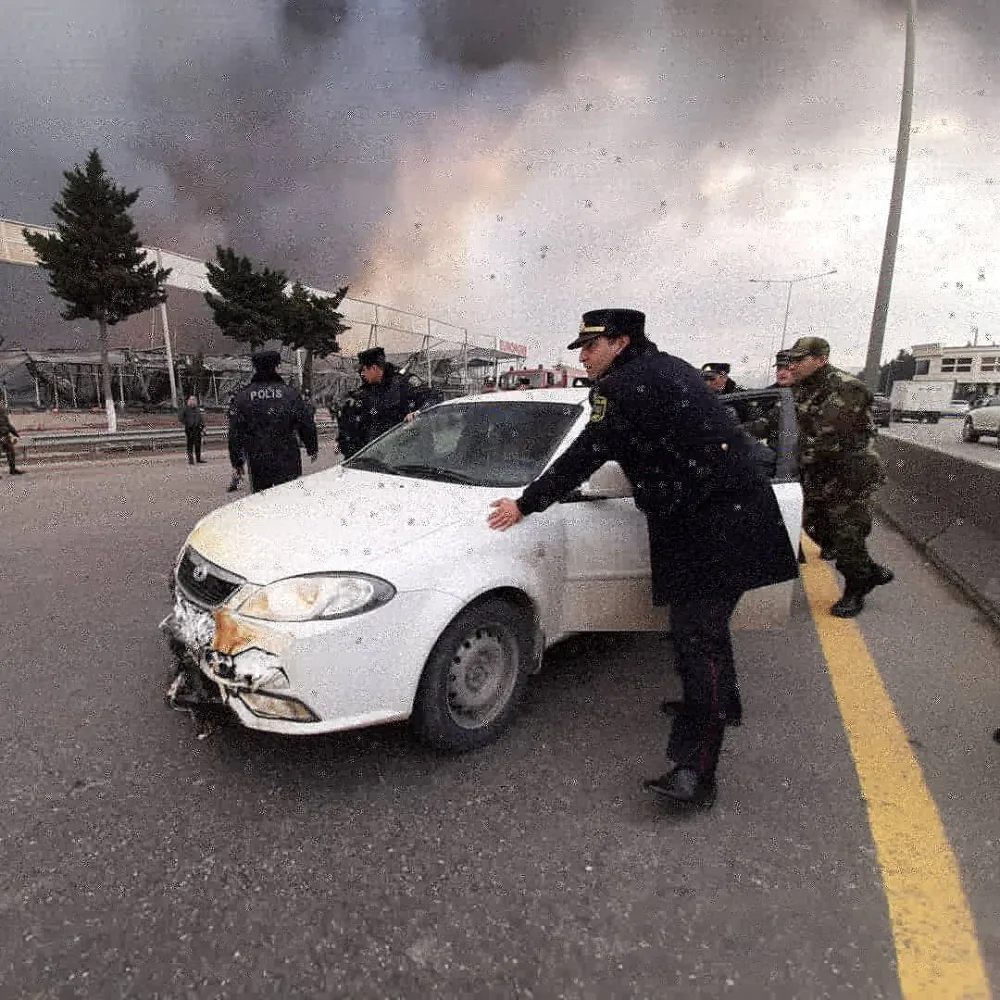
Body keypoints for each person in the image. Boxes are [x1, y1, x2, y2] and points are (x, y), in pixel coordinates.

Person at [488, 309, 799, 810]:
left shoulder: (623, 386)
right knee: (696, 634)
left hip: (709, 524)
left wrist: (525, 503)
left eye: (590, 348)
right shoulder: (669, 367)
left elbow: (588, 451)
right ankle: (717, 704)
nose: (584, 358)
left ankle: (698, 773)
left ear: (620, 342)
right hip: (730, 512)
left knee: (701, 641)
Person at [782, 336, 894, 617]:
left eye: (799, 359)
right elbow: (780, 422)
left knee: (847, 534)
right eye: (792, 360)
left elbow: (829, 439)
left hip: (850, 475)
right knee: (815, 527)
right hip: (820, 473)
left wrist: (787, 458)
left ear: (821, 359)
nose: (792, 365)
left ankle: (856, 588)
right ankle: (866, 569)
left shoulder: (846, 388)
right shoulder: (801, 388)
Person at [227, 350, 319, 493]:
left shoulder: (242, 397)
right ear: (277, 366)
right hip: (287, 457)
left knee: (263, 500)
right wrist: (312, 447)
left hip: (258, 459)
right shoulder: (290, 394)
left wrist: (237, 461)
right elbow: (305, 422)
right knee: (288, 499)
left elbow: (235, 432)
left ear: (255, 367)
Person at [353, 346, 422, 447]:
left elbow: (433, 397)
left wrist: (417, 413)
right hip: (380, 451)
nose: (362, 374)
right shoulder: (367, 392)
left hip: (408, 448)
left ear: (374, 368)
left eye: (364, 370)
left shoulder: (404, 383)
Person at [179, 395, 206, 465]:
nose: (193, 401)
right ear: (189, 401)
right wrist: (187, 423)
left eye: (194, 400)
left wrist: (203, 427)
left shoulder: (197, 409)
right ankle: (191, 460)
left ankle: (198, 459)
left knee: (198, 445)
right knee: (190, 445)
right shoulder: (185, 409)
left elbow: (201, 419)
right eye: (192, 400)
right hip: (189, 429)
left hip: (198, 429)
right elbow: (181, 418)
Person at [0, 403, 24, 476]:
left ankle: (12, 469)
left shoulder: (2, 412)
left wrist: (15, 433)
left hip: (5, 435)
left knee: (11, 452)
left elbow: (8, 424)